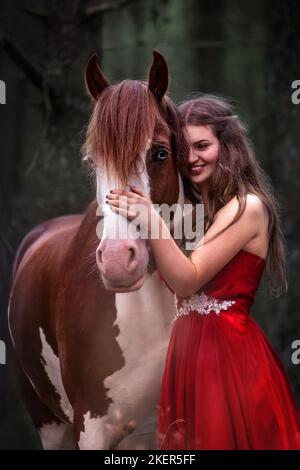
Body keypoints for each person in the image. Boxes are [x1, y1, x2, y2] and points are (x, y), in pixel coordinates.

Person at [106, 95, 300, 450]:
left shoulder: (248, 207)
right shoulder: (203, 215)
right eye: (186, 148)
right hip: (190, 354)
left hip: (225, 357)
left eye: (203, 145)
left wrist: (151, 219)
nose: (192, 158)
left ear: (229, 147)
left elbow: (187, 278)